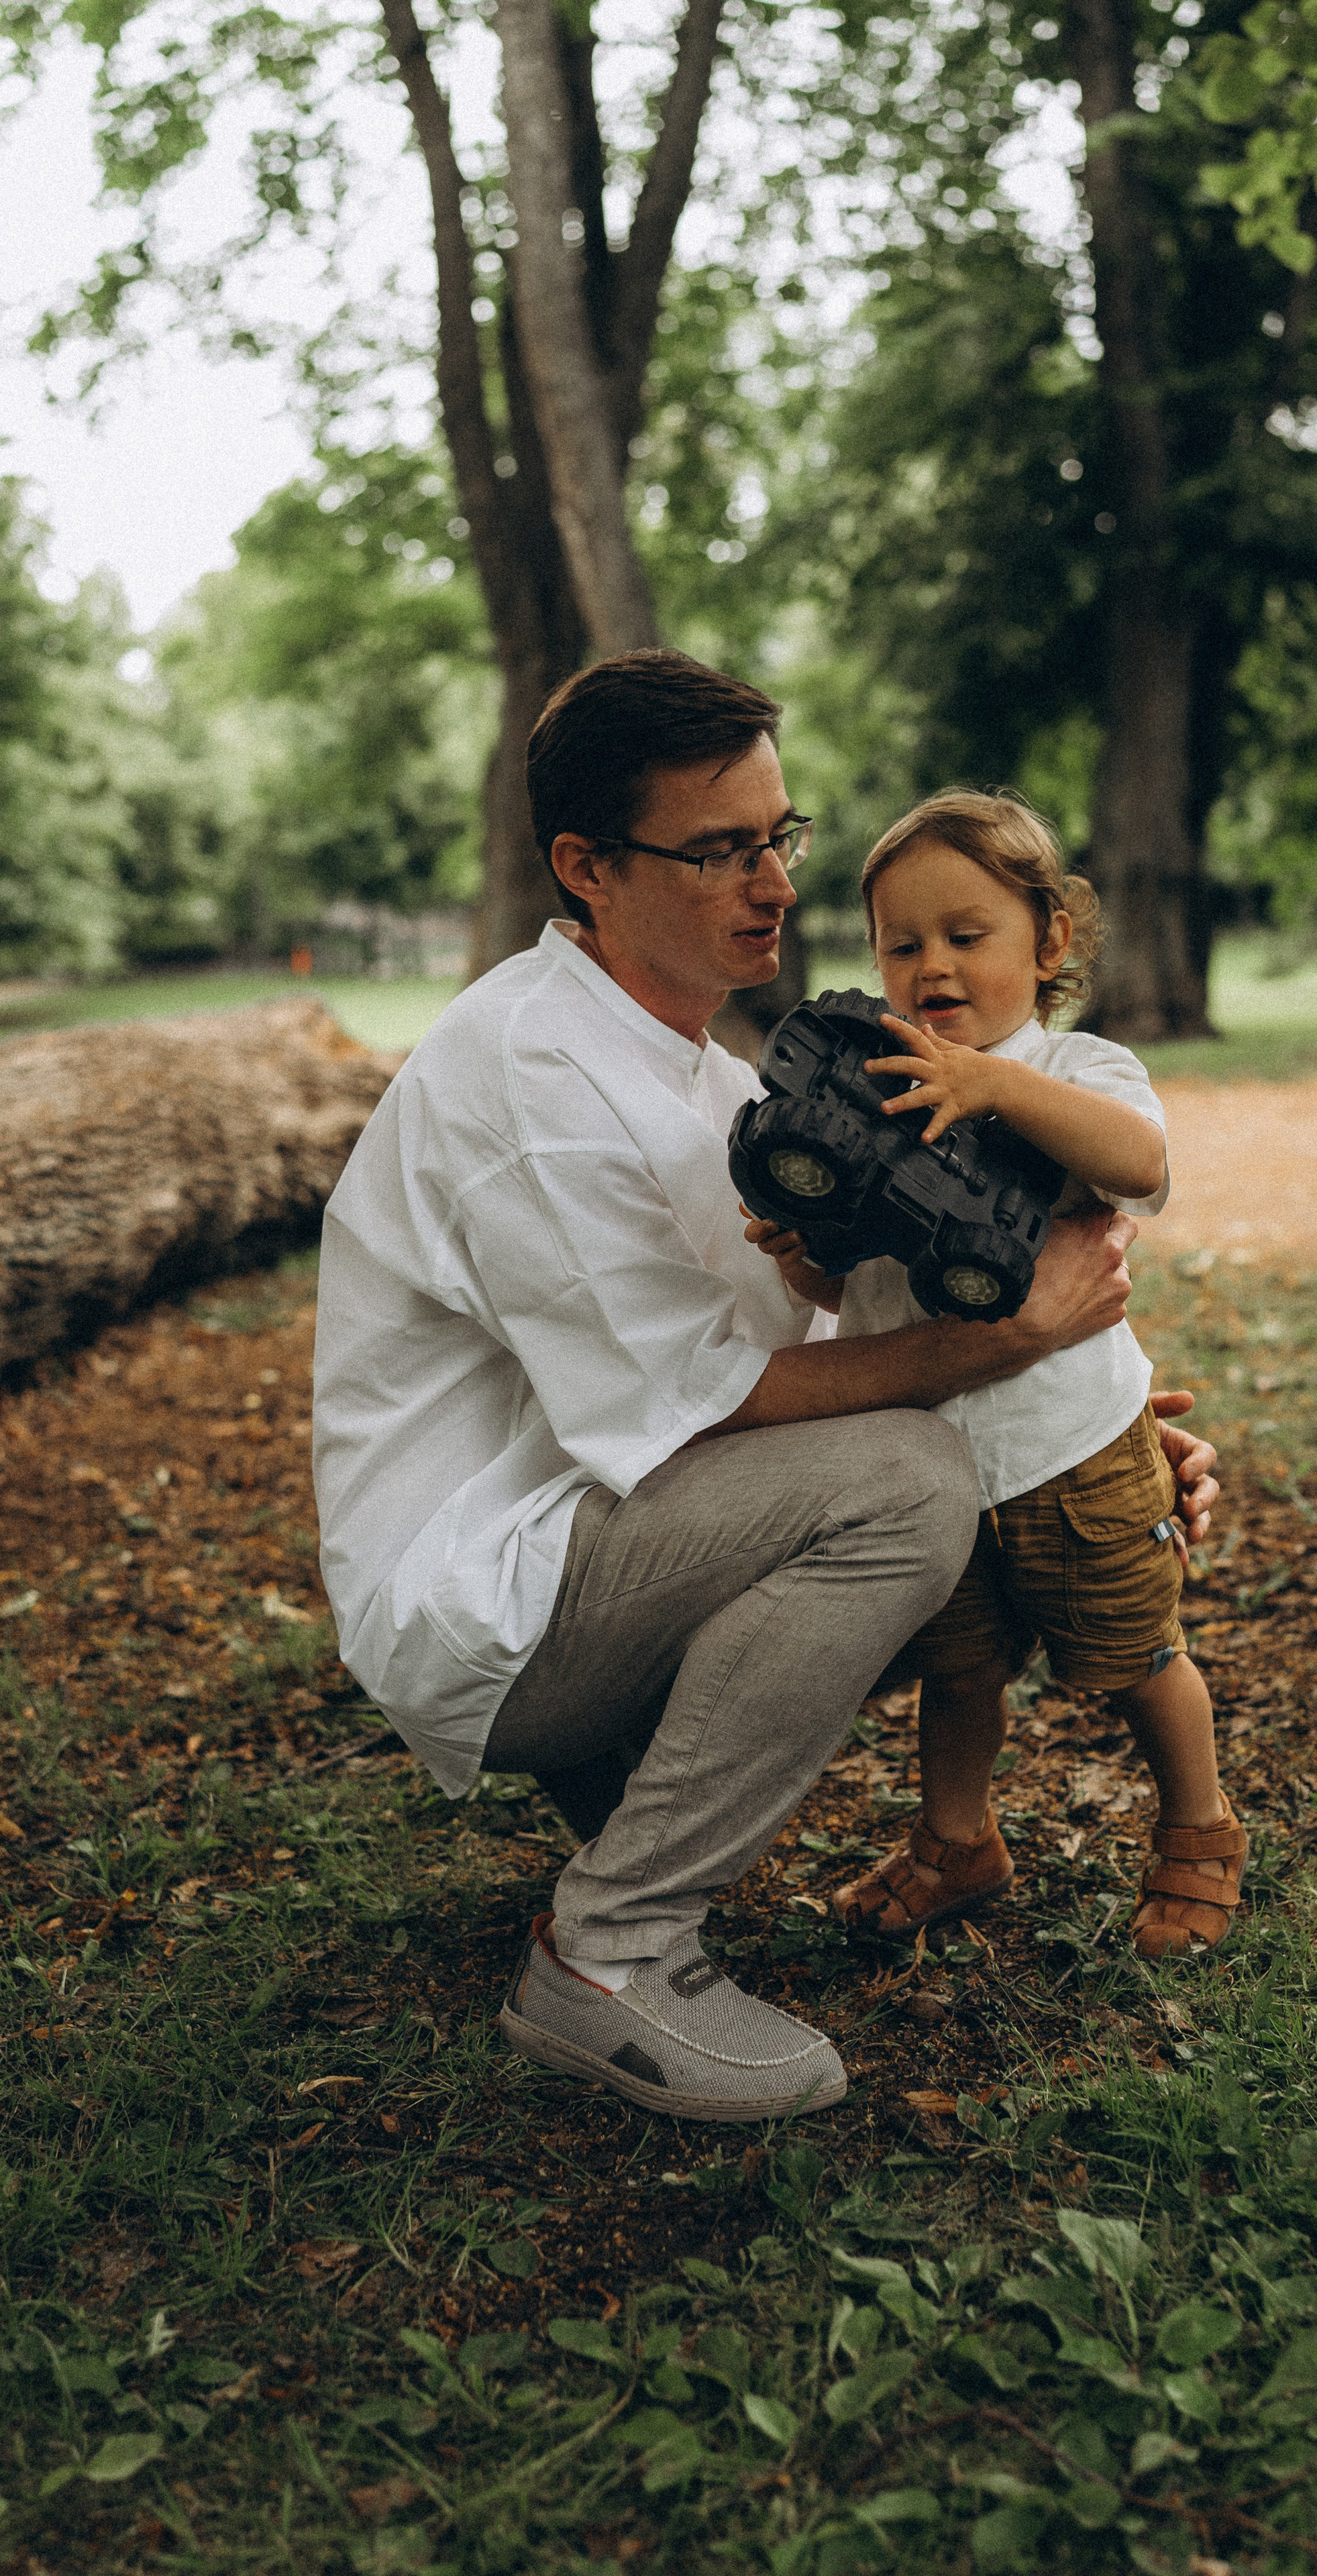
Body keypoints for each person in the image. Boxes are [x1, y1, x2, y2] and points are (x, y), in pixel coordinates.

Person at [313, 653, 1220, 2127]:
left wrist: (1094, 1427)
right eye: (720, 850)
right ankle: (605, 1953)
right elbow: (712, 1408)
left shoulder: (718, 1077)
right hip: (495, 1597)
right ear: (585, 869)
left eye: (778, 839)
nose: (775, 885)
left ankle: (622, 1808)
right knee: (908, 1486)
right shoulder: (534, 1079)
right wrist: (1014, 1348)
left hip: (596, 1530)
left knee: (930, 1469)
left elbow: (834, 1333)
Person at [748, 790, 1245, 1959]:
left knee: (1136, 1655)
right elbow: (870, 1304)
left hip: (1076, 1449)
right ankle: (958, 1841)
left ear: (1050, 940)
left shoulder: (1075, 1066)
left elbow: (1141, 1162)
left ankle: (1199, 1828)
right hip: (940, 1470)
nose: (933, 968)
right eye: (901, 944)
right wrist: (809, 1260)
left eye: (967, 936)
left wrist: (996, 1087)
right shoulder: (867, 1089)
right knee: (959, 1670)